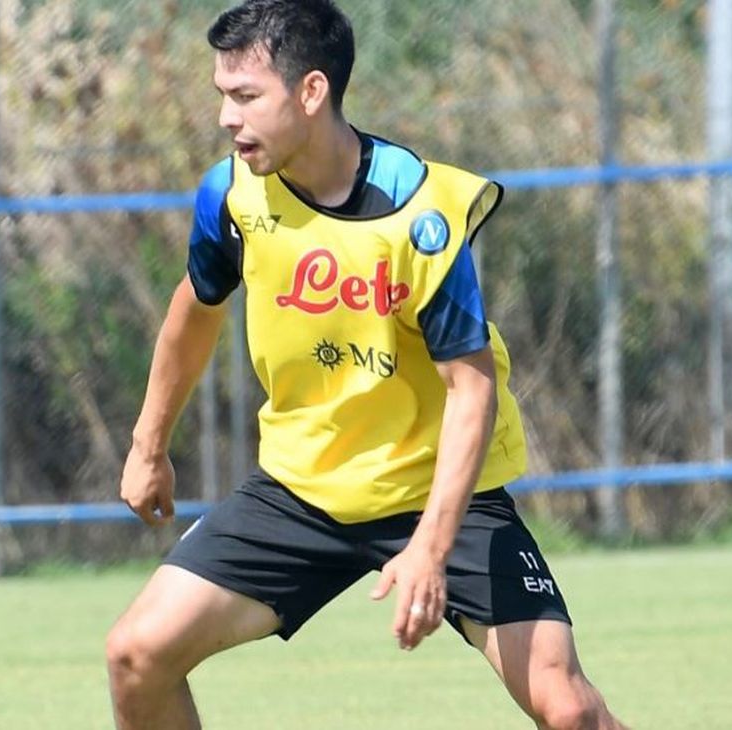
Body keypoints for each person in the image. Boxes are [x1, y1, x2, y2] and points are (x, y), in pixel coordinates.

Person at [106, 1, 627, 728]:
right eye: (223, 96)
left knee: (567, 708)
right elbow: (195, 309)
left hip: (437, 490)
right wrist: (148, 445)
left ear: (311, 92)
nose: (227, 117)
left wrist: (429, 550)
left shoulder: (420, 215)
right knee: (136, 655)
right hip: (300, 489)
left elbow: (470, 389)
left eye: (246, 96)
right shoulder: (229, 194)